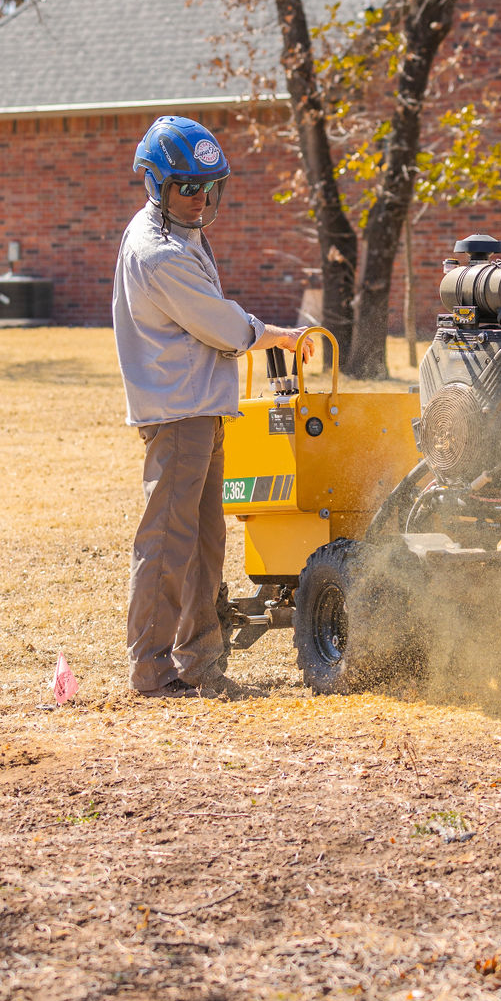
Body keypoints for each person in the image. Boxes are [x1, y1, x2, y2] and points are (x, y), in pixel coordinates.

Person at [113, 114, 314, 699]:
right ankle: (151, 672)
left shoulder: (178, 231)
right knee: (168, 542)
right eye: (187, 186)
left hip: (201, 406)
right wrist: (271, 333)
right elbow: (222, 326)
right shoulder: (158, 252)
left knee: (204, 543)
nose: (200, 200)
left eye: (209, 187)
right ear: (155, 184)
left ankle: (199, 663)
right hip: (179, 414)